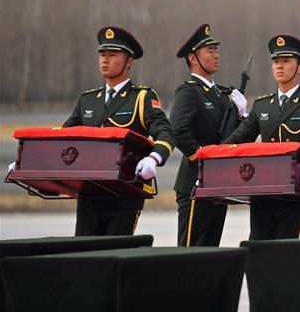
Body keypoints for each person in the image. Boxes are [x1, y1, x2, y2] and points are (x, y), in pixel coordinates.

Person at [61, 27, 175, 236]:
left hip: (125, 193)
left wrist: (153, 158)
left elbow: (166, 133)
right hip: (89, 192)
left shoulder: (141, 97)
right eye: (102, 54)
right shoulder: (88, 99)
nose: (105, 60)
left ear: (129, 62)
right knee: (84, 251)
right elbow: (63, 137)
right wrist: (31, 161)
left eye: (112, 55)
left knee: (118, 250)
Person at [224, 34, 300, 240]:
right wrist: (212, 156)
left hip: (294, 191)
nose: (279, 66)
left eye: (286, 61)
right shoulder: (262, 105)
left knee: (284, 247)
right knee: (257, 244)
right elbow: (236, 141)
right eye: (275, 61)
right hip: (263, 188)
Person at [170, 24, 247, 247]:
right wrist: (203, 158)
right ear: (193, 58)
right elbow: (178, 130)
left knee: (211, 251)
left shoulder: (222, 95)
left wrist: (242, 117)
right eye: (209, 50)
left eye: (216, 50)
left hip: (219, 184)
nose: (216, 55)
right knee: (191, 251)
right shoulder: (189, 92)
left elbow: (232, 138)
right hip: (195, 182)